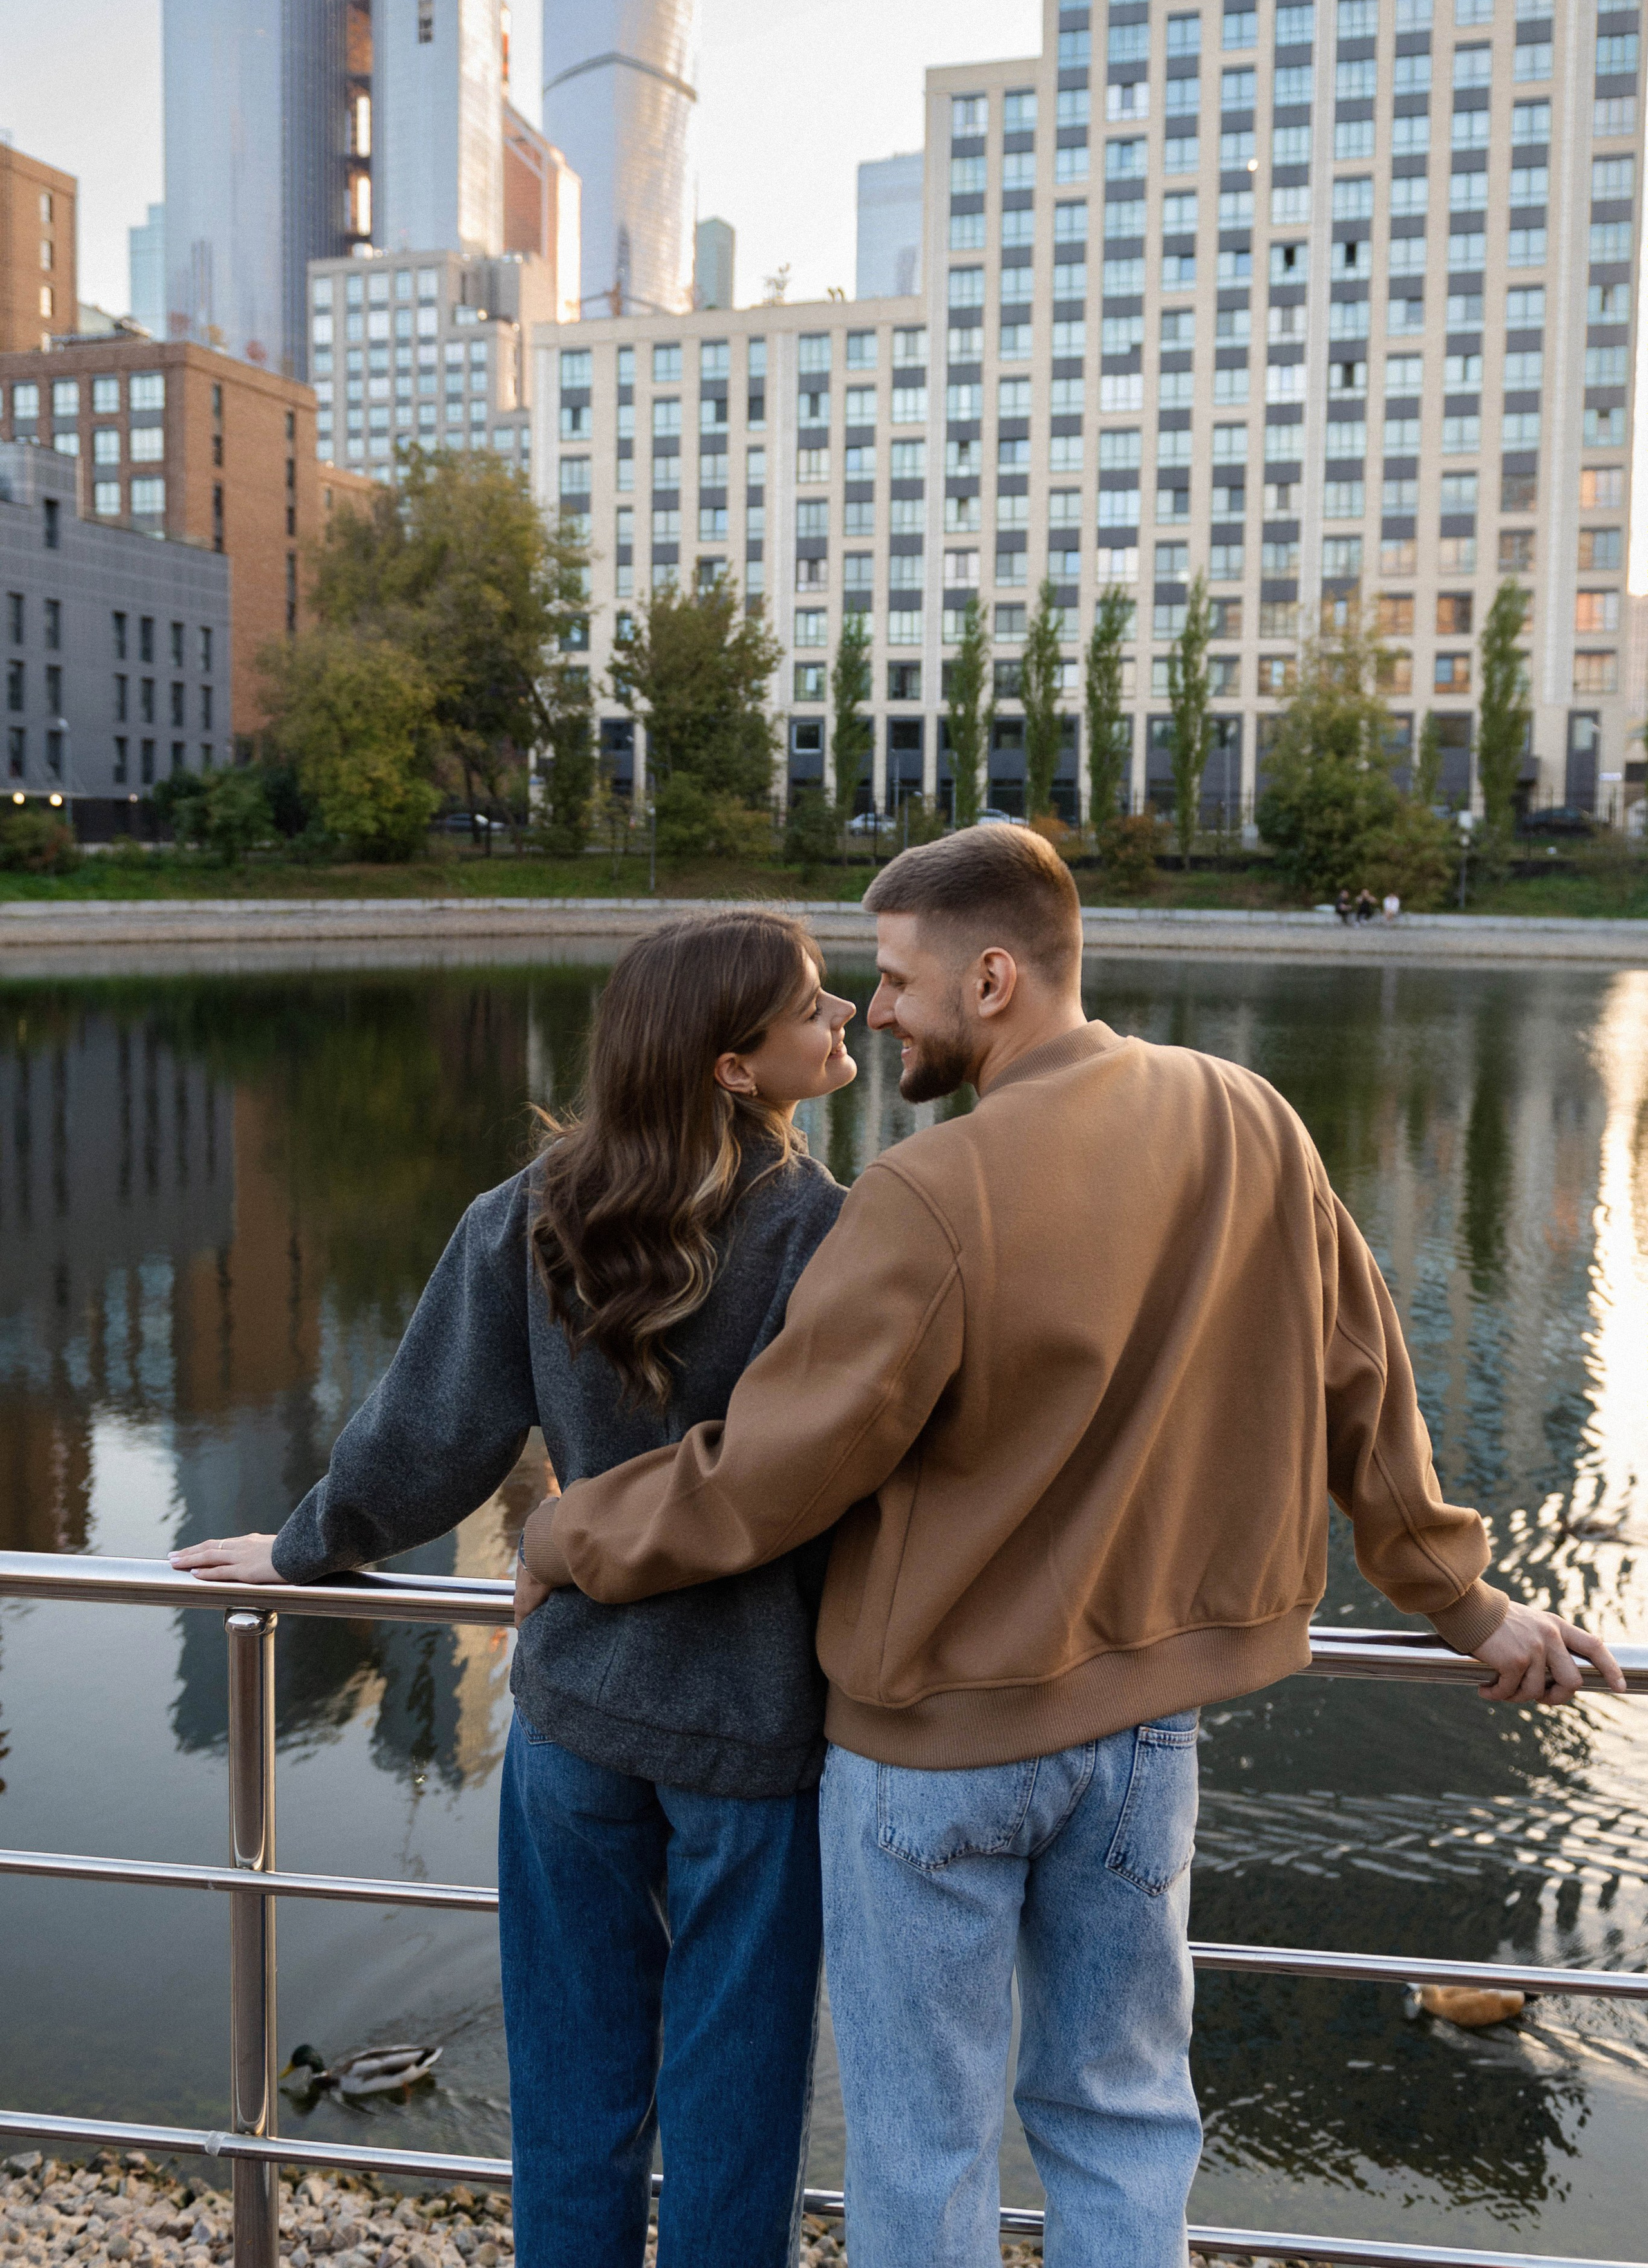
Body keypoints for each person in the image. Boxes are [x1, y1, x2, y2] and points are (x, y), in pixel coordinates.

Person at [519, 825, 1625, 2268]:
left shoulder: (931, 1192)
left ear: (991, 977)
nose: (880, 1009)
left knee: (923, 2149)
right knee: (1121, 2120)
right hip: (1141, 1740)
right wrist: (1463, 1605)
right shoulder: (1249, 1120)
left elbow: (768, 1475)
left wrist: (566, 1527)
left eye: (901, 978)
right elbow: (1362, 1375)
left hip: (929, 1752)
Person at [169, 912, 860, 2268]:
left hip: (576, 1719)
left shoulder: (535, 1209)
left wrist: (307, 1546)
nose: (845, 1016)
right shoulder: (826, 1236)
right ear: (733, 1066)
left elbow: (425, 1436)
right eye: (813, 1004)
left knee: (571, 2087)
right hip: (751, 1734)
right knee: (737, 2100)